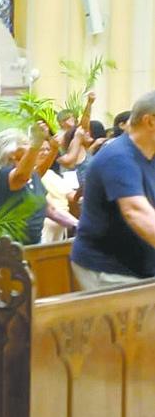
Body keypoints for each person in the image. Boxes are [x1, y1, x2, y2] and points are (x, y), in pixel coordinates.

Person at [71, 91, 155, 289]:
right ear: (150, 121)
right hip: (110, 270)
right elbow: (136, 212)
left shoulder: (149, 154)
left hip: (140, 267)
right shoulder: (118, 157)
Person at [0, 124, 78, 246]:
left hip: (32, 247)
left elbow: (51, 210)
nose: (30, 147)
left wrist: (79, 226)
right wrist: (36, 143)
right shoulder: (4, 174)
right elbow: (20, 177)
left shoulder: (32, 175)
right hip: (5, 251)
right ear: (12, 154)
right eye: (25, 144)